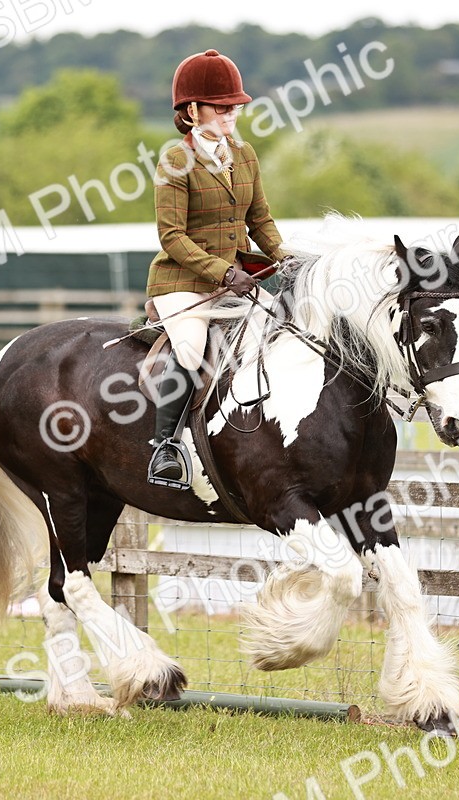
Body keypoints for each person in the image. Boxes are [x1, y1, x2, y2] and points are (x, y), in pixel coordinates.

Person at [145, 48, 287, 489]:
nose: (231, 114)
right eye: (221, 107)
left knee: (283, 327)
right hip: (183, 280)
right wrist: (224, 274)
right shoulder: (175, 162)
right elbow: (172, 237)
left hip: (239, 279)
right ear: (191, 111)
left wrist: (289, 259)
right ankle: (165, 446)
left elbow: (259, 219)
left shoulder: (244, 155)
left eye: (235, 107)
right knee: (190, 346)